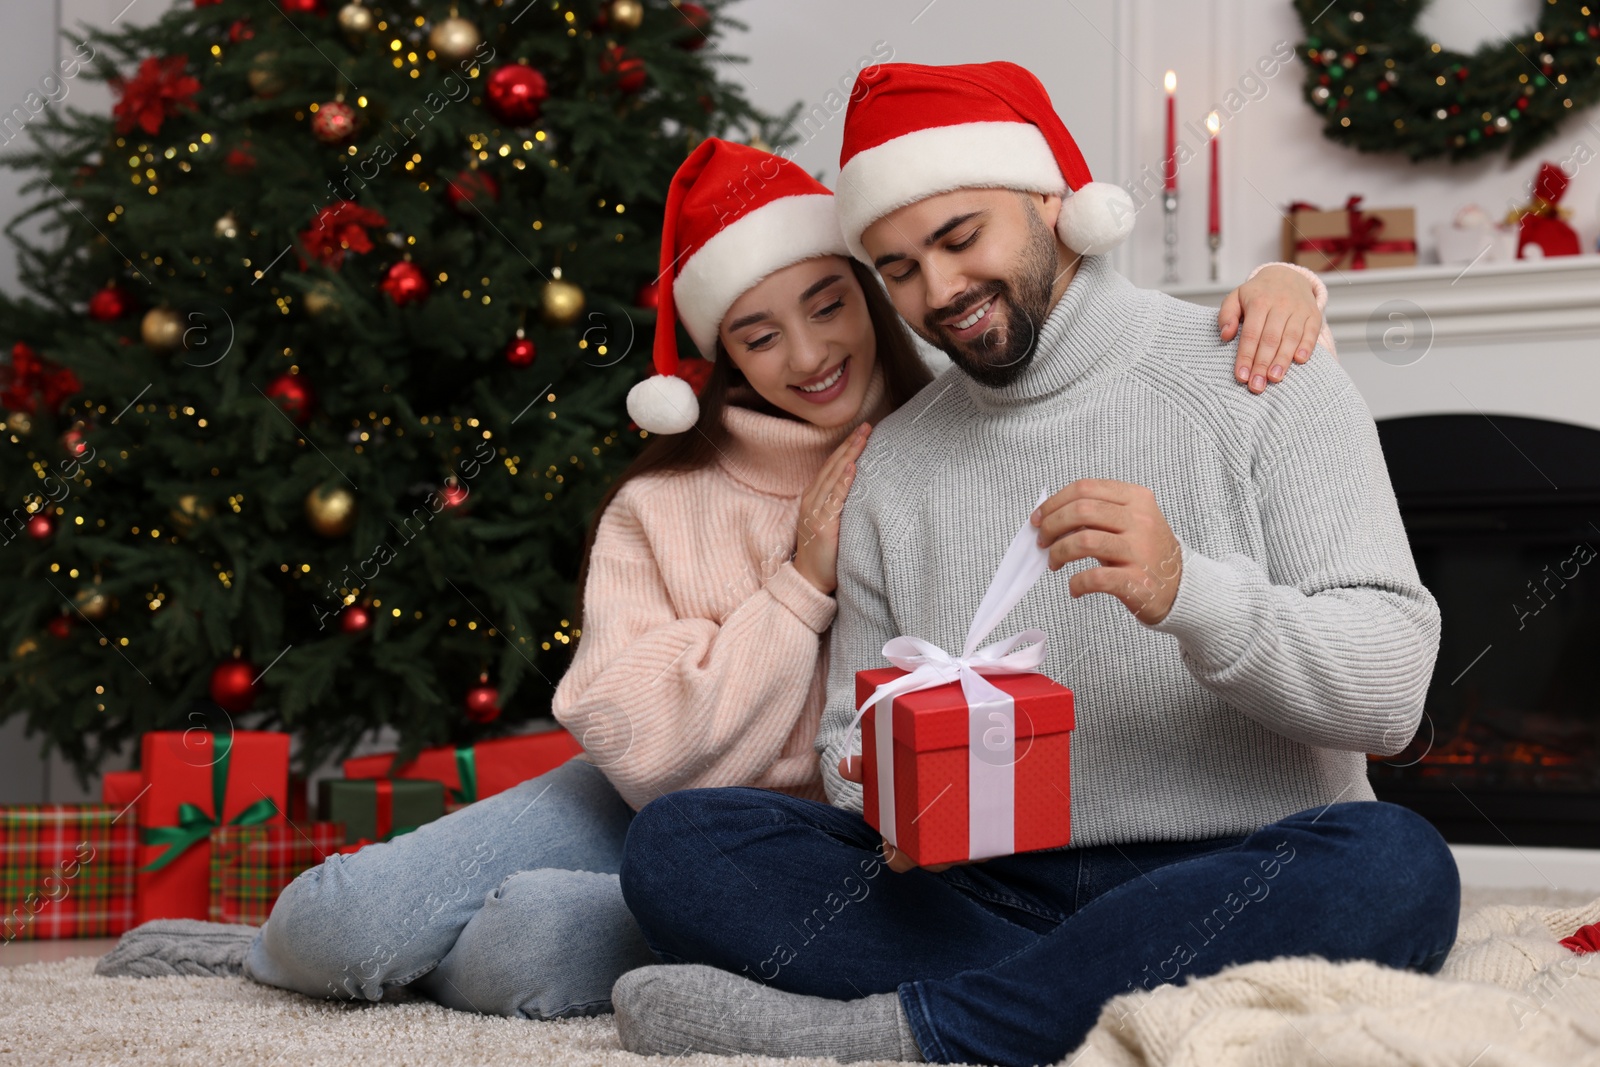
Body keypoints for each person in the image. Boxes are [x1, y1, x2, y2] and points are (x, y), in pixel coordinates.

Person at [93, 135, 1333, 1021]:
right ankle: (258, 951)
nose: (808, 355)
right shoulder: (663, 502)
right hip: (662, 794)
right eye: (755, 332)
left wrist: (1285, 283)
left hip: (832, 848)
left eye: (827, 305)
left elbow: (1101, 360)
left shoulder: (961, 428)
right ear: (713, 358)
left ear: (875, 295)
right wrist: (797, 583)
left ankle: (486, 934)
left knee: (529, 945)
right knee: (343, 927)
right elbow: (635, 744)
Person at [608, 62, 1459, 1066]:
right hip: (986, 883)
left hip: (1238, 862)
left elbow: (1392, 694)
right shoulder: (894, 463)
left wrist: (1194, 593)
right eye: (897, 268)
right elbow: (846, 738)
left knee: (1397, 867)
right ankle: (1083, 989)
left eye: (961, 238)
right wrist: (885, 786)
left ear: (1054, 201)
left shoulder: (1259, 368)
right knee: (679, 850)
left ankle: (914, 1027)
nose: (939, 292)